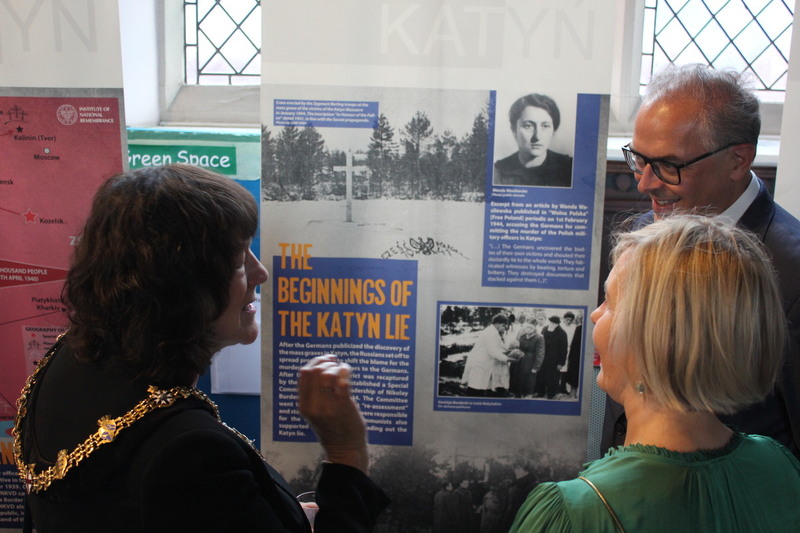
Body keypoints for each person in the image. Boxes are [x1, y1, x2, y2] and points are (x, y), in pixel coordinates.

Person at [13, 165, 388, 533]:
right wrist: (346, 454)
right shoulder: (190, 455)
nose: (260, 273)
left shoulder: (65, 360)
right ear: (183, 290)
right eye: (240, 259)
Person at [511, 215, 800, 532]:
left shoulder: (575, 512)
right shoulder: (778, 467)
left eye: (609, 301)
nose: (595, 315)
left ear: (652, 339)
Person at [603, 64, 800, 457]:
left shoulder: (792, 273)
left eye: (668, 165)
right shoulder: (643, 234)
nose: (644, 183)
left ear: (738, 160)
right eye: (639, 160)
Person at [493, 93, 573, 187]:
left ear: (553, 131)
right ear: (514, 130)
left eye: (545, 126)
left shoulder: (569, 169)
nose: (537, 136)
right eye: (528, 126)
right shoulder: (497, 171)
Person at [461, 314, 511, 397]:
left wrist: (509, 351)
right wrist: (507, 359)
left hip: (484, 364)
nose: (504, 328)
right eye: (503, 325)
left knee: (480, 388)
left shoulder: (494, 333)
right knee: (475, 388)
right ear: (497, 323)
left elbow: (500, 346)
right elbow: (492, 352)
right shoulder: (489, 333)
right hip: (478, 364)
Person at [508, 317, 544, 398]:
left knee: (529, 381)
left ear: (535, 328)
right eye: (527, 327)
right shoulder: (522, 337)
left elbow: (540, 354)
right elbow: (517, 348)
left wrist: (536, 367)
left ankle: (527, 396)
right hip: (520, 362)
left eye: (530, 327)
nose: (528, 329)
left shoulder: (539, 338)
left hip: (530, 362)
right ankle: (517, 394)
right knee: (519, 378)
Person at [535, 316, 567, 399]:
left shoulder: (562, 333)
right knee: (541, 375)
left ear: (557, 323)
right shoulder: (545, 329)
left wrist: (561, 363)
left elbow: (564, 349)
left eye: (554, 323)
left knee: (552, 377)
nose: (552, 324)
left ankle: (551, 393)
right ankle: (540, 392)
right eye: (551, 322)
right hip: (543, 357)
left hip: (554, 360)